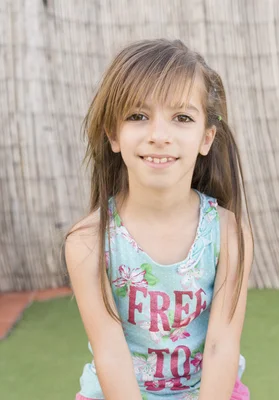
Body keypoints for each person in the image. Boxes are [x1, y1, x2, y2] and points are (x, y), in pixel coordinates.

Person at [65, 39, 253, 400]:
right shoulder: (87, 240)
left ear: (206, 137)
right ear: (113, 135)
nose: (159, 136)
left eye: (182, 118)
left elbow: (221, 346)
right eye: (138, 116)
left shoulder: (228, 232)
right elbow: (110, 353)